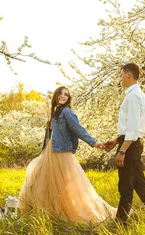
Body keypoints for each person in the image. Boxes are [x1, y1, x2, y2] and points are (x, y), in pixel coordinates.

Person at [18, 86, 116, 223]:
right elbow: (48, 135)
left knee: (67, 186)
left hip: (62, 153)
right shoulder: (56, 112)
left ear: (68, 98)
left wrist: (93, 143)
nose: (63, 96)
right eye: (61, 94)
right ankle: (49, 211)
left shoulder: (67, 112)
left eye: (66, 94)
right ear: (56, 96)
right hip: (51, 152)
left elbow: (78, 130)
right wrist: (43, 152)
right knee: (44, 181)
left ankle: (70, 211)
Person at [104, 63, 145, 226]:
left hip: (131, 146)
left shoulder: (134, 96)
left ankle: (120, 224)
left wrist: (122, 151)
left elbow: (133, 129)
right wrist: (116, 141)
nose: (121, 78)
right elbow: (131, 128)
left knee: (126, 187)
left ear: (128, 74)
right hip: (132, 143)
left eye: (121, 75)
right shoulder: (136, 94)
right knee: (139, 184)